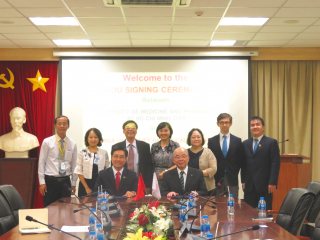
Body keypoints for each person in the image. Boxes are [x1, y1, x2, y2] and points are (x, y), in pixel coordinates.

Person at [38, 115, 78, 206]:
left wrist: (74, 182)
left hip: (65, 181)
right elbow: (41, 162)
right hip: (51, 181)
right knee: (50, 208)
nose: (62, 126)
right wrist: (42, 182)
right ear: (55, 125)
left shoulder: (72, 143)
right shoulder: (47, 142)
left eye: (64, 124)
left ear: (68, 126)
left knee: (66, 208)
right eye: (59, 124)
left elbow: (74, 164)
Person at [242, 116, 280, 209]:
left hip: (265, 185)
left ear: (263, 127)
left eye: (257, 124)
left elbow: (275, 163)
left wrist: (273, 182)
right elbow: (243, 164)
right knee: (248, 213)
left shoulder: (271, 142)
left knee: (265, 214)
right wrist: (243, 180)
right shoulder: (245, 143)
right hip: (249, 185)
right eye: (252, 125)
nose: (255, 127)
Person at [208, 113, 245, 198]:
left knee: (233, 205)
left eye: (227, 122)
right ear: (218, 124)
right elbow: (210, 160)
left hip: (232, 180)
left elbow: (241, 161)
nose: (224, 124)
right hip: (216, 180)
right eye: (221, 122)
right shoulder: (211, 141)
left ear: (230, 123)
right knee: (217, 206)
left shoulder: (237, 141)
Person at [111, 120, 153, 189]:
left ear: (136, 131)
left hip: (141, 182)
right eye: (127, 128)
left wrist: (148, 185)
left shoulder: (145, 146)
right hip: (122, 182)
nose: (130, 130)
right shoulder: (116, 146)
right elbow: (114, 166)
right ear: (123, 131)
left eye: (133, 128)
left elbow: (148, 167)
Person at [74, 128, 109, 197]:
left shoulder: (104, 153)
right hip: (85, 184)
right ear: (87, 139)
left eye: (95, 137)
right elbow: (79, 171)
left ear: (99, 139)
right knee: (84, 206)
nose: (93, 139)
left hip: (100, 184)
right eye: (91, 137)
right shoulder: (82, 152)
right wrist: (86, 188)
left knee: (99, 205)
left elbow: (106, 169)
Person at [187, 128, 217, 194]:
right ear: (189, 139)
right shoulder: (185, 152)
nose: (196, 139)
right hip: (189, 187)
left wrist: (197, 174)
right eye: (193, 137)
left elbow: (213, 169)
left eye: (198, 137)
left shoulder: (208, 152)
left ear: (202, 138)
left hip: (207, 187)